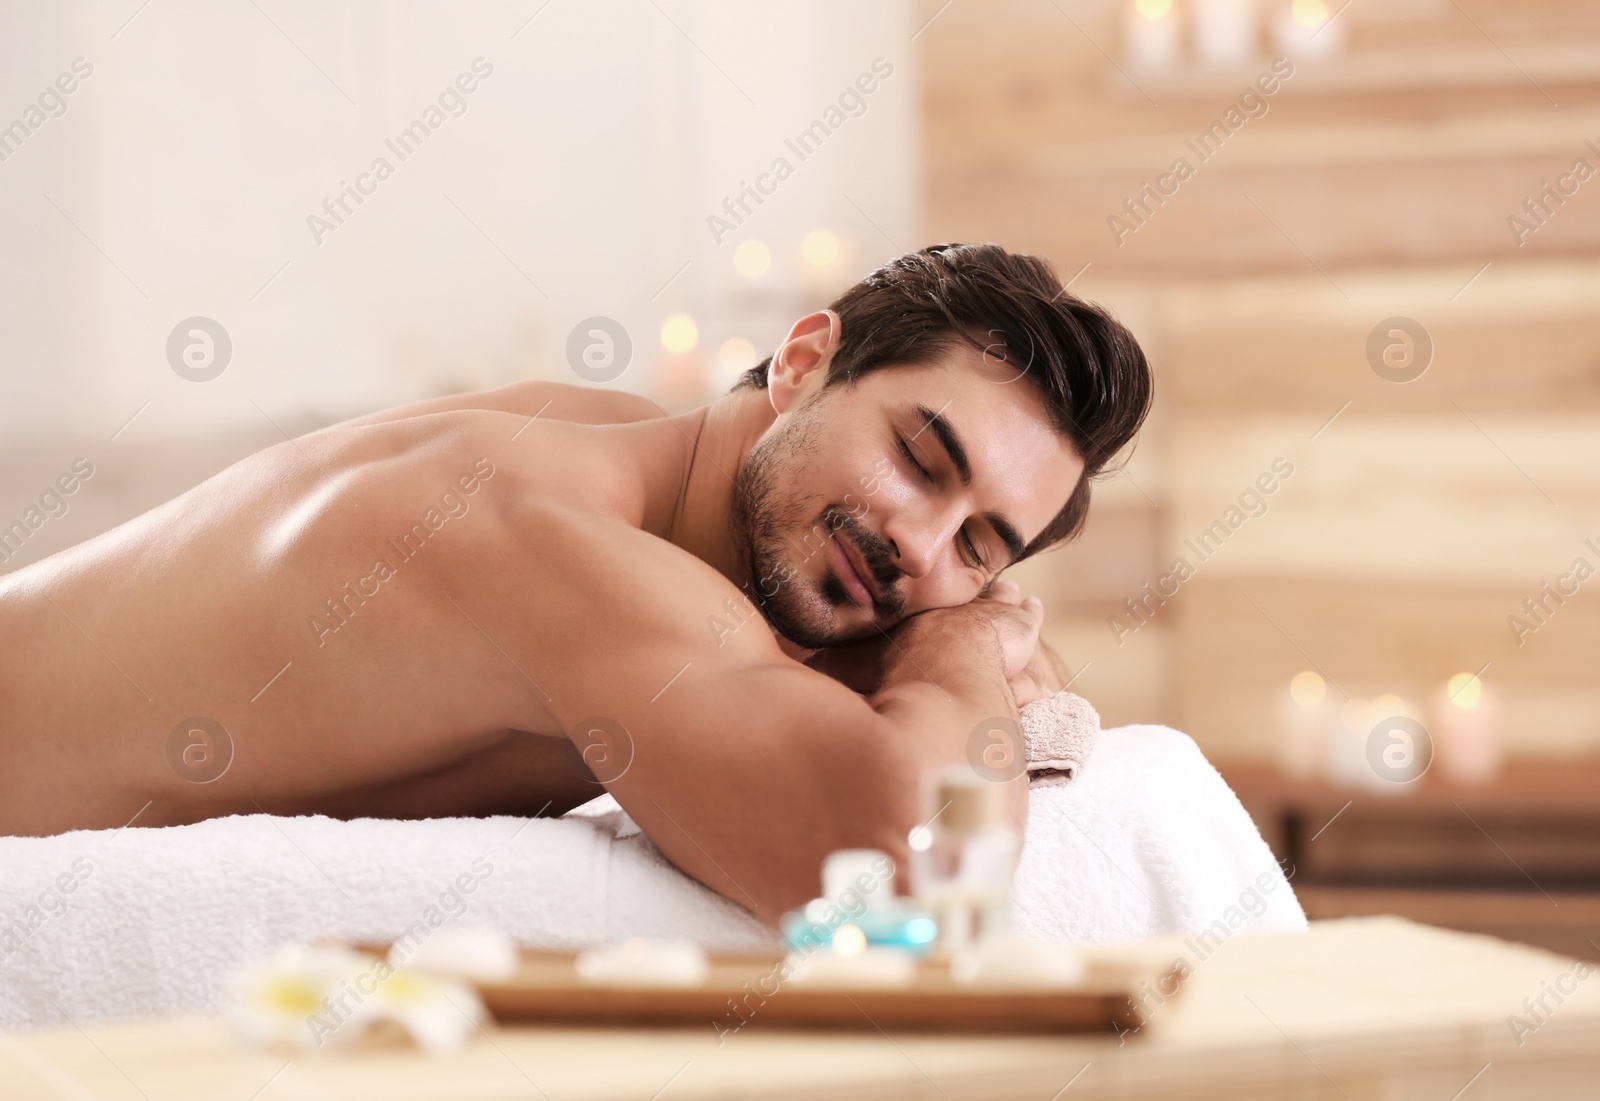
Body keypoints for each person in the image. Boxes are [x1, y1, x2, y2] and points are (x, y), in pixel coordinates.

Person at [0, 243, 1151, 919]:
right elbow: (920, 870)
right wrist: (962, 640)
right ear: (802, 362)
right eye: (917, 457)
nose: (919, 546)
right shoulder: (550, 539)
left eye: (979, 548)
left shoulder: (636, 462)